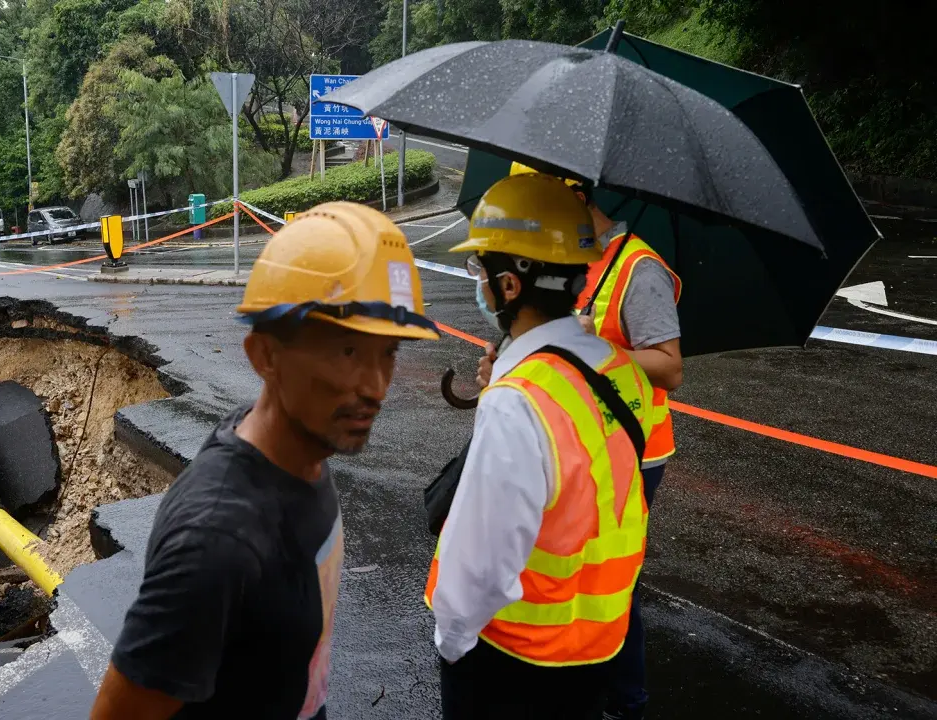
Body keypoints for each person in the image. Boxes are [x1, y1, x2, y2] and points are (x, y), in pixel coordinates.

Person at [90, 202, 439, 720]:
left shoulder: (303, 449)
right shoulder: (217, 543)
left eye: (388, 352)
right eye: (346, 351)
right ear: (264, 356)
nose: (375, 386)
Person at [427, 173, 654, 719]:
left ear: (510, 285)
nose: (476, 280)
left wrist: (452, 643)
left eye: (480, 267)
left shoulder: (518, 401)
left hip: (510, 665)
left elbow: (479, 566)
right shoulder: (617, 369)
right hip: (595, 649)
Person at [487, 164, 683, 720]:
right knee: (566, 572)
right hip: (576, 440)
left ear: (572, 197)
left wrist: (583, 351)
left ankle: (626, 702)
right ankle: (578, 687)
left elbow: (669, 367)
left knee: (612, 582)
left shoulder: (638, 269)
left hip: (632, 451)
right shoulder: (569, 260)